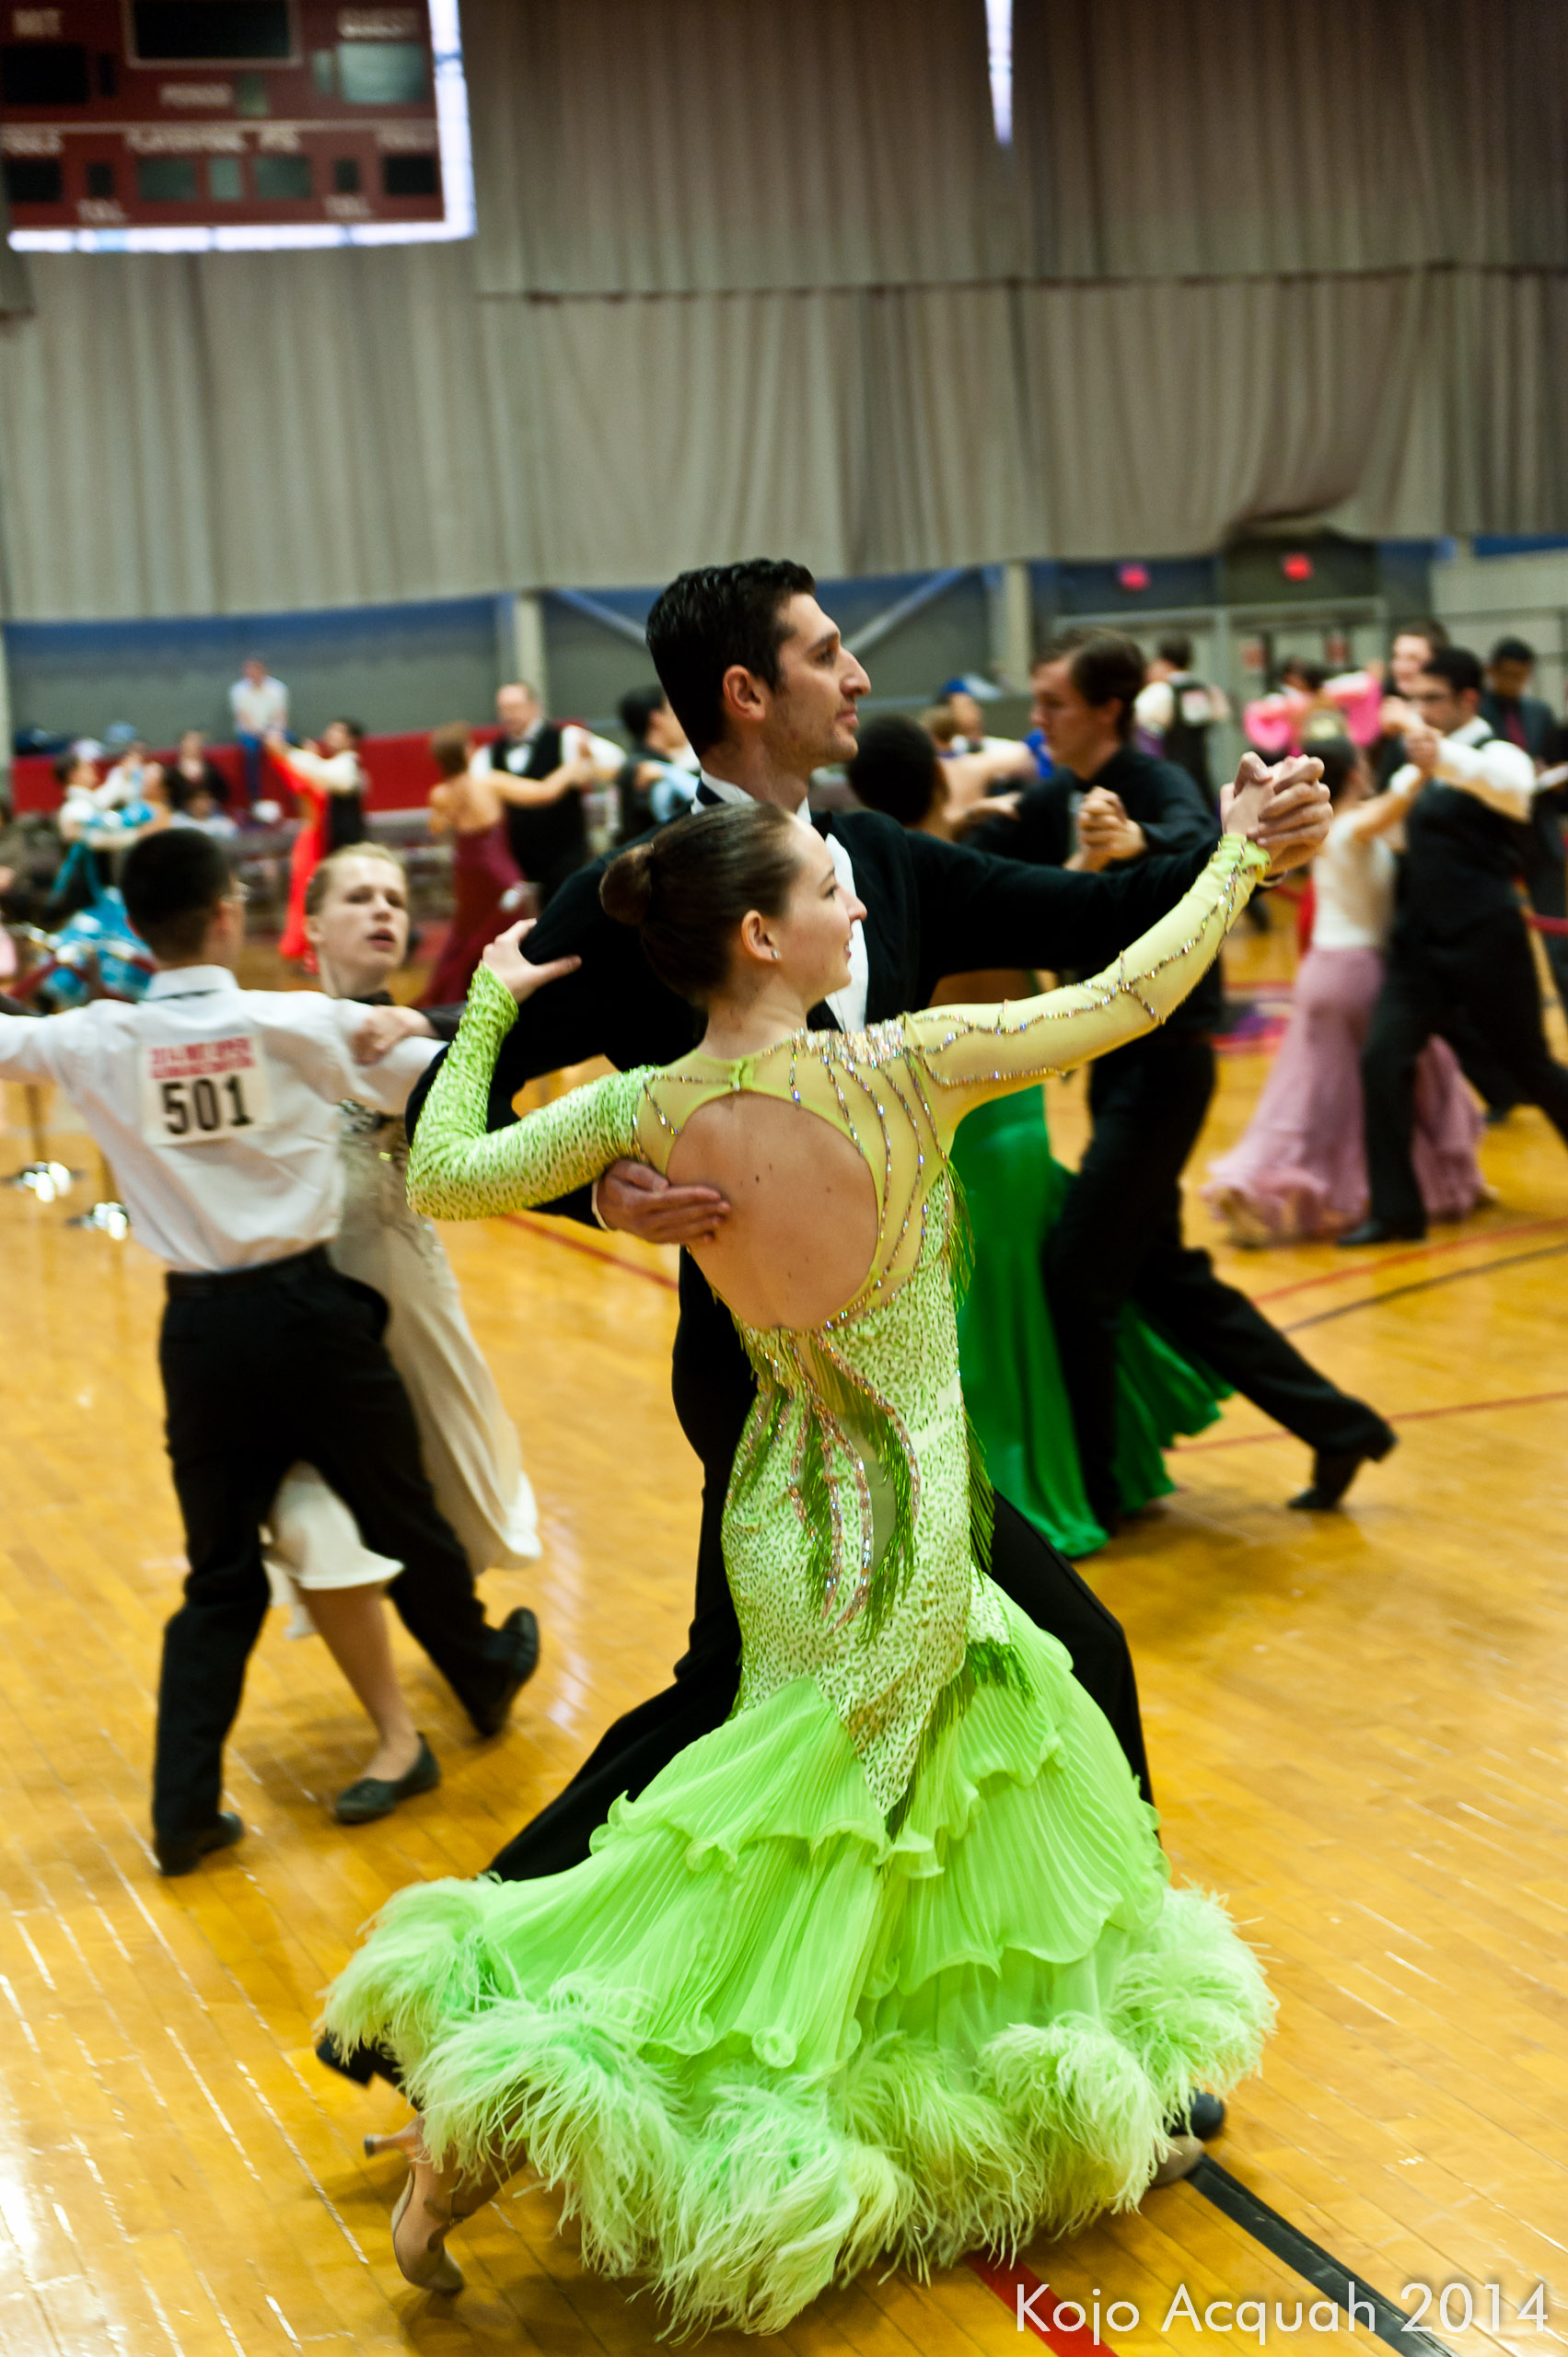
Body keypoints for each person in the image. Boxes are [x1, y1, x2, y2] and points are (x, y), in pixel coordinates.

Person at [322, 794, 1283, 2325]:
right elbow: (1127, 995)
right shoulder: (901, 1066)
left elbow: (439, 1171)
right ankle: (509, 2097)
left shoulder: (644, 1110)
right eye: (833, 892)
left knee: (922, 1800)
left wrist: (493, 1003)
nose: (859, 908)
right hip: (901, 1524)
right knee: (814, 1825)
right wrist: (1233, 859)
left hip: (779, 1508)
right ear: (763, 934)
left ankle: (1060, 2110)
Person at [319, 565, 1325, 1961]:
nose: (858, 678)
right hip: (762, 1386)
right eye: (826, 653)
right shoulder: (645, 897)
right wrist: (607, 1198)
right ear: (746, 691)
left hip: (906, 1381)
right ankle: (488, 1966)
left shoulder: (876, 865)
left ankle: (555, 1971)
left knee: (776, 1697)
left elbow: (1087, 924)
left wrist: (1239, 847)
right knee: (904, 1678)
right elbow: (453, 1112)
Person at [0, 830, 540, 1874]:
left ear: (136, 927)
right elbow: (444, 1078)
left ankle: (183, 1812)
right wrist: (480, 1003)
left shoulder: (97, 1039)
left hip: (199, 1337)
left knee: (219, 1577)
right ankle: (479, 1668)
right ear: (226, 914)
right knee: (402, 1509)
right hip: (313, 1318)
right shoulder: (293, 1022)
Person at [1027, 629, 1395, 1529]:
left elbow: (1202, 847)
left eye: (1053, 704)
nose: (1038, 720)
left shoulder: (1156, 783)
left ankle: (1098, 1491)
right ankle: (1337, 1426)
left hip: (1165, 1066)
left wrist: (1137, 839)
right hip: (1116, 1064)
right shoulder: (1050, 792)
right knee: (1160, 1274)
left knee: (1078, 1273)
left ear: (1107, 709)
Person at [847, 713, 1228, 1555]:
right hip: (1012, 1131)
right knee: (1032, 1311)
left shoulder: (880, 896)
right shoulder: (974, 879)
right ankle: (1085, 1475)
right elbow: (1047, 924)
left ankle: (1009, 1496)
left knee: (995, 1325)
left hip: (959, 1139)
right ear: (938, 779)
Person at [261, 843, 542, 1823]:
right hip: (298, 1315)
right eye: (359, 896)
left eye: (394, 897)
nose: (384, 909)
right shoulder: (277, 1032)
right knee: (315, 1513)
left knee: (439, 1496)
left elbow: (503, 1059)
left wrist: (435, 1017)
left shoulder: (418, 1040)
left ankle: (472, 1660)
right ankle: (408, 1719)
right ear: (313, 924)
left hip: (408, 1299)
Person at [1204, 740, 1485, 1243]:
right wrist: (1426, 768)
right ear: (1356, 772)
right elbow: (1391, 808)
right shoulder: (1349, 826)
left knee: (1330, 1089)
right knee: (1402, 1077)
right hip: (1356, 974)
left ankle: (1434, 1182)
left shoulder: (1337, 830)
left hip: (1327, 973)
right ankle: (1249, 1183)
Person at [1345, 644, 1568, 1244]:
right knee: (1380, 1060)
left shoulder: (1493, 752)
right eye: (1414, 699)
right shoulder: (1413, 763)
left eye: (1433, 699)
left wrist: (1436, 756)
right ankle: (1397, 1212)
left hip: (1484, 939)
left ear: (1468, 699)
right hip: (1418, 945)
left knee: (1530, 1066)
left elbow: (1514, 790)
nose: (1421, 709)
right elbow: (1392, 833)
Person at [1480, 634, 1568, 1019]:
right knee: (1501, 941)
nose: (1515, 683)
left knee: (1558, 937)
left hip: (1541, 834)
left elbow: (1553, 762)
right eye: (1509, 675)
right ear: (1492, 671)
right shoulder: (1477, 714)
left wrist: (1553, 776)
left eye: (1522, 676)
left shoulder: (1539, 712)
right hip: (1495, 839)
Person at [471, 681, 621, 906]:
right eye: (503, 709)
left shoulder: (568, 738)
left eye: (514, 707)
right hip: (515, 858)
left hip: (565, 854)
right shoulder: (488, 755)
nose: (508, 715)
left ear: (535, 706)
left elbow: (616, 764)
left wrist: (588, 767)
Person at [419, 722, 525, 1007]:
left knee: (467, 929)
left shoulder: (441, 793)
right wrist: (572, 770)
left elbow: (436, 827)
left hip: (466, 867)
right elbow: (543, 792)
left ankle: (456, 995)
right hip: (496, 868)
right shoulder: (489, 782)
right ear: (467, 751)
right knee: (505, 925)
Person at [269, 718, 368, 962]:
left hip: (332, 842)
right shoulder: (311, 771)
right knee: (311, 895)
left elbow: (326, 774)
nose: (328, 735)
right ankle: (311, 949)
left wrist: (297, 755)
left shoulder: (341, 766)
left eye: (337, 731)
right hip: (314, 840)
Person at [1132, 633, 1230, 807]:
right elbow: (1221, 713)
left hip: (1174, 778)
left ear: (1163, 660)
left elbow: (1138, 718)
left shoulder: (1160, 692)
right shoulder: (1206, 691)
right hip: (1203, 777)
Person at [613, 682, 701, 842]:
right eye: (674, 712)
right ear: (657, 720)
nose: (683, 718)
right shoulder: (641, 770)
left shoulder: (658, 766)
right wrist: (666, 773)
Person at [229, 656, 289, 809]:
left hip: (274, 731)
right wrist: (262, 735)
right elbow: (244, 719)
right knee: (251, 752)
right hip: (250, 733)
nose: (252, 675)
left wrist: (274, 732)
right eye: (249, 672)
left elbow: (280, 716)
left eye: (256, 671)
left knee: (293, 744)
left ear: (264, 671)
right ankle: (254, 799)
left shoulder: (278, 688)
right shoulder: (238, 690)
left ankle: (294, 790)